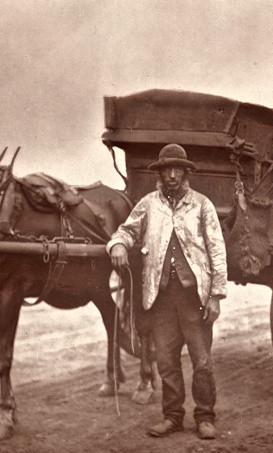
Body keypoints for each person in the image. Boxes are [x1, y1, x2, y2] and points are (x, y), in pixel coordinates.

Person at [107, 143, 227, 440]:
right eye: (166, 170)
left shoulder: (201, 205)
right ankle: (172, 416)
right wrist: (119, 244)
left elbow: (217, 251)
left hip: (193, 298)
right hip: (159, 298)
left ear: (186, 173)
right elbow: (126, 230)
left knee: (202, 361)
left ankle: (205, 417)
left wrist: (215, 296)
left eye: (177, 170)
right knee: (166, 362)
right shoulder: (148, 204)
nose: (172, 175)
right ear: (159, 174)